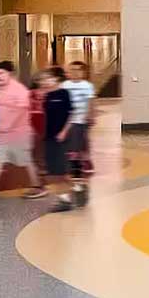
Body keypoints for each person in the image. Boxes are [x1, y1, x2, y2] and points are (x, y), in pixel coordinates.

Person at [0, 61, 46, 201]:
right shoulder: (1, 90)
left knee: (26, 161)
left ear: (10, 74)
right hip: (5, 135)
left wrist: (8, 126)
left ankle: (39, 186)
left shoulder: (19, 90)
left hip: (19, 134)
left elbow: (21, 111)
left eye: (1, 73)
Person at [39, 67, 82, 212]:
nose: (44, 81)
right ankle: (76, 188)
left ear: (56, 79)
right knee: (53, 171)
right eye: (43, 79)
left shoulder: (64, 94)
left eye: (47, 78)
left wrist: (64, 131)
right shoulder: (47, 96)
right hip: (49, 137)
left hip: (62, 137)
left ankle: (65, 200)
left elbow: (70, 114)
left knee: (58, 171)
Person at [62, 61, 96, 200]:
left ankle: (77, 173)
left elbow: (91, 102)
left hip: (80, 121)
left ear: (83, 72)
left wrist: (91, 115)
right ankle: (78, 167)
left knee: (76, 147)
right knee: (72, 147)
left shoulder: (87, 86)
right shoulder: (65, 85)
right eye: (72, 70)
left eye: (78, 70)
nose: (75, 73)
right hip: (67, 122)